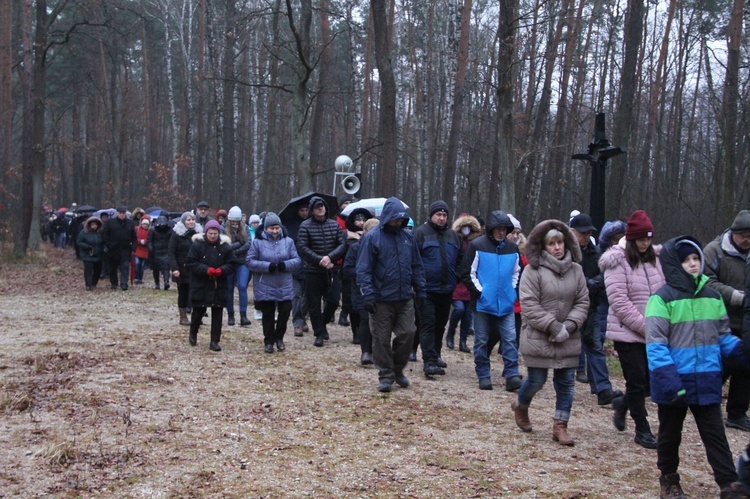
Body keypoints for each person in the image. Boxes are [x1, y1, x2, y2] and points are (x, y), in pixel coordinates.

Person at [646, 236, 748, 498]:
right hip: (674, 381)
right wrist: (669, 382)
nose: (692, 264)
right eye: (685, 260)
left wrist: (741, 352)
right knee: (670, 435)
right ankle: (668, 480)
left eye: (695, 259)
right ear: (673, 264)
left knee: (715, 435)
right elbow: (656, 346)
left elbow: (722, 336)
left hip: (706, 379)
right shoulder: (661, 299)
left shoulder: (713, 297)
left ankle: (729, 485)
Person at [512, 219, 589, 446]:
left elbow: (583, 300)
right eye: (551, 244)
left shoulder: (576, 270)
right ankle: (521, 405)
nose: (557, 247)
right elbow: (529, 305)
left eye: (560, 242)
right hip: (539, 336)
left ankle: (560, 426)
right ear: (543, 247)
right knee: (536, 379)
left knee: (566, 382)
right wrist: (554, 326)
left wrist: (570, 326)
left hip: (569, 336)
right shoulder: (532, 271)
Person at [599, 209, 665, 449]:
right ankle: (642, 428)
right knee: (636, 381)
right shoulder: (616, 261)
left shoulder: (655, 259)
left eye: (649, 238)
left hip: (655, 332)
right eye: (641, 238)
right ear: (632, 238)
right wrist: (646, 327)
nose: (645, 242)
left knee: (651, 382)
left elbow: (664, 292)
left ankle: (623, 404)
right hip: (626, 333)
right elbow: (619, 301)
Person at [356, 197, 426, 392]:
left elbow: (416, 265)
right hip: (381, 298)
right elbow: (363, 269)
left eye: (401, 219)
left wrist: (420, 289)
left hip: (404, 296)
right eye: (395, 219)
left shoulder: (407, 238)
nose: (398, 222)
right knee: (381, 338)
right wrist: (368, 294)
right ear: (387, 217)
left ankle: (397, 369)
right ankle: (385, 375)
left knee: (408, 333)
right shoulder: (372, 238)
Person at [460, 210, 522, 391]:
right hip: (482, 304)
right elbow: (467, 272)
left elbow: (517, 273)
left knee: (510, 339)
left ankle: (512, 375)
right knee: (481, 340)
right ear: (491, 229)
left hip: (506, 303)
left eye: (505, 229)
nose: (501, 232)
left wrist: (512, 292)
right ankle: (483, 374)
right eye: (498, 229)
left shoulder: (512, 248)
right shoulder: (477, 246)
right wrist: (481, 293)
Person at [569, 213, 623, 406]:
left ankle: (603, 389)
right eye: (582, 232)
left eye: (588, 233)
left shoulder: (596, 253)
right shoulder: (564, 251)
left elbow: (605, 275)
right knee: (567, 349)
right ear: (573, 232)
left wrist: (593, 284)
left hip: (590, 307)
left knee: (595, 347)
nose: (585, 236)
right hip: (567, 309)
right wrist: (584, 283)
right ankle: (563, 386)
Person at [703, 210, 750, 432]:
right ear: (734, 233)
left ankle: (737, 413)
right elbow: (705, 281)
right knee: (720, 365)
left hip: (747, 323)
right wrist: (736, 296)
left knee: (746, 368)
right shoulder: (714, 250)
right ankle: (704, 402)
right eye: (744, 235)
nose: (747, 240)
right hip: (720, 321)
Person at [414, 200, 463, 377]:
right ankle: (428, 362)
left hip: (447, 288)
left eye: (444, 215)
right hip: (426, 289)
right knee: (427, 324)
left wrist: (455, 277)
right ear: (431, 215)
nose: (441, 218)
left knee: (441, 325)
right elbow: (413, 260)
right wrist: (417, 283)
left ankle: (436, 354)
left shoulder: (453, 236)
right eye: (438, 215)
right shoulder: (420, 233)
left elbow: (460, 260)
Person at [246, 212, 302, 353]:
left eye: (277, 228)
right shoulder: (258, 242)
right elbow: (250, 261)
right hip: (265, 282)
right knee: (268, 314)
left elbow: (296, 260)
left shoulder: (288, 241)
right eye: (271, 228)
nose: (275, 231)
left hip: (284, 282)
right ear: (265, 228)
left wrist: (285, 265)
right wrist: (266, 266)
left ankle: (279, 337)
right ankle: (269, 341)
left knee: (285, 312)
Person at [297, 196, 347, 347]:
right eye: (317, 206)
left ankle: (323, 323)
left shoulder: (334, 225)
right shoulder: (305, 226)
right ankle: (318, 333)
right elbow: (302, 247)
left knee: (333, 301)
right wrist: (320, 260)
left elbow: (342, 244)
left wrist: (330, 258)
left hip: (332, 269)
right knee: (313, 304)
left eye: (322, 206)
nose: (320, 208)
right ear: (312, 210)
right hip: (313, 270)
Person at [186, 220, 240, 351]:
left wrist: (222, 270)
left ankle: (215, 341)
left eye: (215, 233)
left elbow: (233, 263)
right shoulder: (197, 245)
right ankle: (193, 333)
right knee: (198, 312)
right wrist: (205, 269)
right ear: (206, 232)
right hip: (201, 283)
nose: (212, 236)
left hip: (218, 284)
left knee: (217, 313)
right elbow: (191, 262)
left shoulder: (225, 247)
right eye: (210, 233)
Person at [344, 217, 379, 365]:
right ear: (364, 232)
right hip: (360, 290)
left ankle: (378, 350)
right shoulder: (355, 248)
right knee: (365, 319)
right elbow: (347, 270)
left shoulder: (382, 247)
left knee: (379, 321)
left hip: (379, 289)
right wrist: (362, 272)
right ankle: (366, 352)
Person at [446, 214, 482, 353]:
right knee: (459, 308)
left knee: (467, 314)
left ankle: (462, 341)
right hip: (457, 283)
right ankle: (450, 333)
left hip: (470, 284)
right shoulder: (455, 242)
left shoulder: (475, 244)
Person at [341, 207, 373, 344]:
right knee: (352, 305)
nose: (360, 222)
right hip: (350, 274)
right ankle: (356, 332)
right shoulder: (347, 236)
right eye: (358, 220)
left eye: (363, 220)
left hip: (367, 279)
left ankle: (366, 333)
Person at [169, 212, 203, 326]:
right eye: (188, 220)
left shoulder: (199, 234)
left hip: (196, 268)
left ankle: (197, 316)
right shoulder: (176, 234)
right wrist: (174, 268)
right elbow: (171, 252)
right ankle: (183, 316)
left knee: (197, 293)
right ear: (184, 221)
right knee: (183, 292)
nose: (191, 222)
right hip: (182, 269)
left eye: (192, 220)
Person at [225, 206, 252, 327]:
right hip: (229, 262)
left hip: (242, 262)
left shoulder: (245, 228)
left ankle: (243, 315)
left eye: (237, 221)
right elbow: (225, 246)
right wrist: (238, 245)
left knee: (242, 286)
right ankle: (230, 314)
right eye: (233, 221)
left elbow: (248, 245)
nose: (235, 223)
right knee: (229, 288)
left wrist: (234, 249)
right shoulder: (223, 228)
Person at [102, 206, 136, 291]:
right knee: (113, 267)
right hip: (113, 248)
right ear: (117, 213)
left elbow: (134, 237)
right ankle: (114, 282)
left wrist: (133, 248)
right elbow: (105, 235)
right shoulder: (110, 222)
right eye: (120, 213)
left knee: (125, 266)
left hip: (125, 248)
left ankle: (124, 283)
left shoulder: (130, 223)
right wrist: (108, 244)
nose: (122, 215)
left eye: (123, 213)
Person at [76, 216, 105, 291]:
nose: (94, 226)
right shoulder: (84, 232)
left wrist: (105, 248)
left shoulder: (100, 233)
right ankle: (88, 284)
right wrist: (86, 246)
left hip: (98, 254)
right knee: (88, 269)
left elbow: (104, 241)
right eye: (92, 225)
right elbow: (79, 241)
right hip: (87, 254)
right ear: (89, 225)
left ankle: (93, 283)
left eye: (95, 225)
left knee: (98, 270)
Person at [149, 215, 173, 290]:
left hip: (166, 251)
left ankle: (166, 282)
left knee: (166, 268)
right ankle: (157, 283)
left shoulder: (169, 230)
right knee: (156, 269)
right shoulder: (153, 230)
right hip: (155, 252)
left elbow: (171, 241)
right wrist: (151, 249)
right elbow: (150, 240)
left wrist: (170, 249)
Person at [133, 216, 151, 284]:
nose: (145, 226)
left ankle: (140, 278)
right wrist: (140, 241)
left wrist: (145, 241)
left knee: (142, 266)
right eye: (144, 224)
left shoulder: (149, 231)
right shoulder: (137, 229)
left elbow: (150, 239)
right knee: (137, 264)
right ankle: (136, 277)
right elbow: (134, 238)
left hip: (145, 250)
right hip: (138, 249)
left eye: (146, 224)